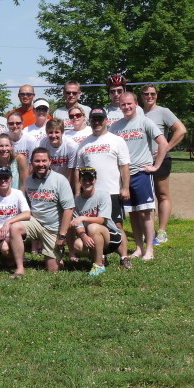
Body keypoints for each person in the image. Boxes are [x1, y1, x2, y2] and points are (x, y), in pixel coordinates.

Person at [110, 92, 168, 261]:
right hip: (125, 176)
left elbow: (163, 143)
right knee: (133, 214)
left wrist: (156, 166)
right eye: (123, 104)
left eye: (129, 104)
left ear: (136, 104)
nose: (126, 107)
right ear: (119, 106)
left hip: (142, 173)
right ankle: (138, 248)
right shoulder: (115, 127)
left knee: (145, 213)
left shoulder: (145, 121)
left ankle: (150, 249)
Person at [76, 107, 133, 269]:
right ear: (90, 121)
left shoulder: (116, 140)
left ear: (106, 120)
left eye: (100, 119)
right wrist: (79, 190)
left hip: (112, 191)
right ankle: (101, 257)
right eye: (94, 119)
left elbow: (124, 166)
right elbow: (79, 171)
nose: (97, 122)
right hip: (92, 194)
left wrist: (125, 187)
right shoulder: (83, 144)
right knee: (94, 227)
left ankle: (124, 257)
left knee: (117, 225)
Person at [9, 148, 75, 276]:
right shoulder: (28, 181)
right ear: (32, 163)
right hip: (35, 223)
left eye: (44, 161)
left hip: (53, 229)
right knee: (15, 227)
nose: (40, 164)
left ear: (50, 162)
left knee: (52, 270)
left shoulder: (60, 180)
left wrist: (62, 235)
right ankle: (20, 268)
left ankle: (57, 259)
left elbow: (69, 209)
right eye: (37, 161)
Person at [140, 83, 186, 245]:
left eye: (152, 94)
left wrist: (165, 148)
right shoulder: (138, 112)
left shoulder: (163, 112)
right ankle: (149, 231)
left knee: (162, 194)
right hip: (143, 162)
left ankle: (162, 231)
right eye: (146, 94)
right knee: (148, 197)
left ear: (156, 95)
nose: (149, 97)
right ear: (142, 96)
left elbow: (181, 130)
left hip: (161, 161)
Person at [69, 167, 124, 276]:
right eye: (84, 179)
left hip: (111, 236)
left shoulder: (103, 195)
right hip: (92, 235)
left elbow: (102, 219)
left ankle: (98, 265)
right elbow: (77, 225)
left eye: (90, 179)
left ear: (95, 180)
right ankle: (101, 257)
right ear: (79, 181)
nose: (87, 182)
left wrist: (83, 218)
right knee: (77, 245)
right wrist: (84, 236)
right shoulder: (76, 201)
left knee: (93, 226)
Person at [38, 118, 78, 191]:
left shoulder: (71, 146)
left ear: (62, 132)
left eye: (57, 132)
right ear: (46, 133)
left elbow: (71, 172)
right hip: (49, 180)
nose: (53, 135)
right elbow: (42, 167)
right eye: (50, 132)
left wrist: (67, 191)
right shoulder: (43, 144)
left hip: (65, 179)